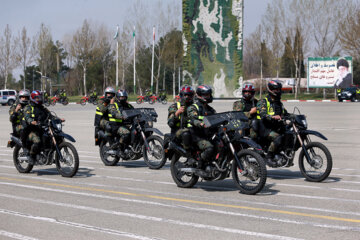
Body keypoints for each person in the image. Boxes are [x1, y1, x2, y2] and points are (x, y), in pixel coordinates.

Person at [23, 90, 65, 163]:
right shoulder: (28, 107)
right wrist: (31, 121)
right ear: (33, 98)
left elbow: (50, 115)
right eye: (37, 98)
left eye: (40, 97)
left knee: (51, 137)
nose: (39, 99)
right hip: (30, 130)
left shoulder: (42, 108)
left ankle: (48, 154)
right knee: (37, 141)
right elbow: (27, 116)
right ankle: (31, 157)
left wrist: (58, 119)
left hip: (41, 128)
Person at [256, 80, 290, 166]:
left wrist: (297, 116)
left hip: (275, 127)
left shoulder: (279, 103)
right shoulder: (263, 102)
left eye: (279, 89)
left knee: (289, 133)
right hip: (265, 128)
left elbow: (285, 113)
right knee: (277, 137)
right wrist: (272, 117)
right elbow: (262, 114)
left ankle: (283, 153)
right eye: (276, 89)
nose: (278, 91)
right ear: (271, 89)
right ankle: (269, 156)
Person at [187, 84, 216, 170]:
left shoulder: (210, 109)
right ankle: (200, 162)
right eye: (206, 95)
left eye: (209, 94)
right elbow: (193, 119)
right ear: (200, 95)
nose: (208, 96)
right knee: (209, 148)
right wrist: (200, 123)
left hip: (207, 134)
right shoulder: (193, 108)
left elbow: (217, 118)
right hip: (196, 135)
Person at [167, 85, 194, 150]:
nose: (187, 97)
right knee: (186, 134)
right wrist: (177, 112)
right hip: (177, 131)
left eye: (189, 95)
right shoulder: (175, 106)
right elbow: (170, 122)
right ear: (181, 95)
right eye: (185, 95)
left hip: (192, 131)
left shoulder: (194, 106)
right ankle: (189, 154)